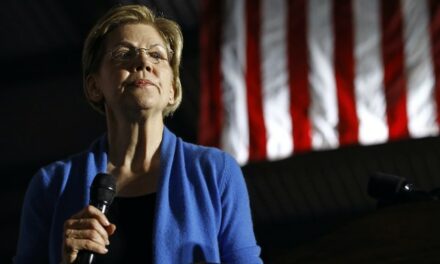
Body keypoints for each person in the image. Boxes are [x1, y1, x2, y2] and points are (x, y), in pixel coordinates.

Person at [14, 4, 262, 264]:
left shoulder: (216, 171)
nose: (143, 62)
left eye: (156, 55)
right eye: (123, 53)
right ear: (94, 86)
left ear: (173, 90)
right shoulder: (51, 185)